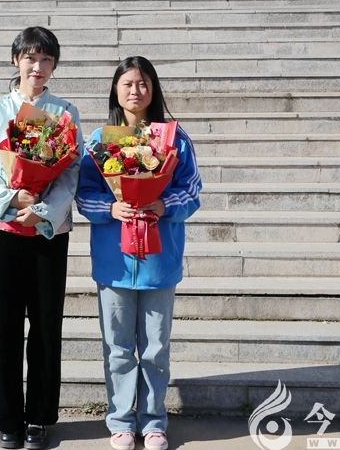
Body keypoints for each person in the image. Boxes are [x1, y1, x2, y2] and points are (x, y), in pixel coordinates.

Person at [76, 56, 202, 450]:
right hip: (114, 262)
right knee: (117, 348)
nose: (136, 90)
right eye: (128, 83)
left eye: (143, 83)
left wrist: (164, 205)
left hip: (159, 261)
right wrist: (110, 208)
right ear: (116, 90)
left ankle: (153, 421)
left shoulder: (175, 139)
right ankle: (120, 421)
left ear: (154, 89)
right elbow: (83, 194)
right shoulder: (100, 140)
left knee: (155, 348)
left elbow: (192, 190)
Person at [0, 26, 82, 450]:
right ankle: (9, 420)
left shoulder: (65, 113)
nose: (38, 66)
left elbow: (71, 170)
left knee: (47, 324)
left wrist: (43, 210)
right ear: (16, 60)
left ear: (54, 65)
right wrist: (12, 198)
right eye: (31, 58)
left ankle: (39, 418)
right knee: (6, 326)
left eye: (46, 59)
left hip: (48, 232)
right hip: (4, 229)